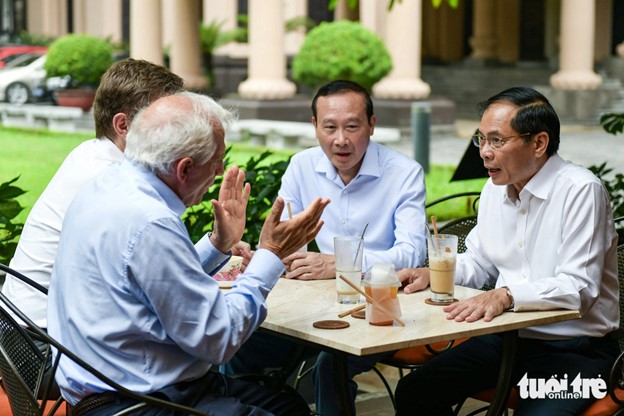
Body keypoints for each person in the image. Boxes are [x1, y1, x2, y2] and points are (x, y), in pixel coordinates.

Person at [47, 91, 330, 415]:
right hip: (138, 403)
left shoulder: (109, 184)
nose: (220, 170)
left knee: (288, 404)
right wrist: (271, 254)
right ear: (184, 169)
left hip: (118, 382)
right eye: (216, 162)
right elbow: (217, 338)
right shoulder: (150, 221)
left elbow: (158, 282)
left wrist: (218, 244)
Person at [395, 86, 620, 415]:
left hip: (576, 349)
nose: (484, 152)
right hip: (506, 339)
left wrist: (506, 295)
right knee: (415, 392)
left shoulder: (580, 191)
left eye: (497, 140)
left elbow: (579, 289)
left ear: (539, 143)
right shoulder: (493, 190)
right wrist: (434, 273)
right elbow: (480, 263)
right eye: (480, 139)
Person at [225, 79, 428, 415]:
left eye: (352, 126)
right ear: (314, 126)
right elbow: (289, 239)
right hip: (316, 301)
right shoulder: (302, 166)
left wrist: (342, 264)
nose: (341, 140)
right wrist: (264, 255)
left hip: (382, 305)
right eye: (330, 127)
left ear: (372, 125)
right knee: (239, 342)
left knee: (329, 362)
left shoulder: (404, 173)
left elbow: (412, 253)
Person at [2, 58, 184, 328]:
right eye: (167, 122)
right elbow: (170, 290)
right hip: (49, 341)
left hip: (23, 334)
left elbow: (166, 276)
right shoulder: (112, 183)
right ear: (123, 126)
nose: (181, 133)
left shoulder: (90, 153)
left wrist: (217, 244)